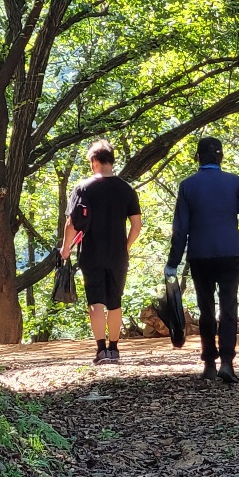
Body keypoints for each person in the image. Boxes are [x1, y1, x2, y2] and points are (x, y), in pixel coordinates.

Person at [165, 137, 239, 383]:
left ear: (197, 158)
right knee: (228, 307)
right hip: (230, 252)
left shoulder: (188, 186)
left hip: (200, 254)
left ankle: (208, 364)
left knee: (206, 308)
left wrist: (173, 262)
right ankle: (227, 362)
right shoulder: (234, 182)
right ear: (221, 157)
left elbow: (180, 229)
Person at [61, 140, 142, 365]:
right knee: (115, 300)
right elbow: (136, 226)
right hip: (117, 254)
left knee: (95, 301)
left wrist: (66, 248)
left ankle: (100, 350)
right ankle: (114, 350)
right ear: (111, 161)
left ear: (94, 161)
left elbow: (72, 223)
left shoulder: (83, 188)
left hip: (91, 252)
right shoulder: (126, 189)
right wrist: (125, 247)